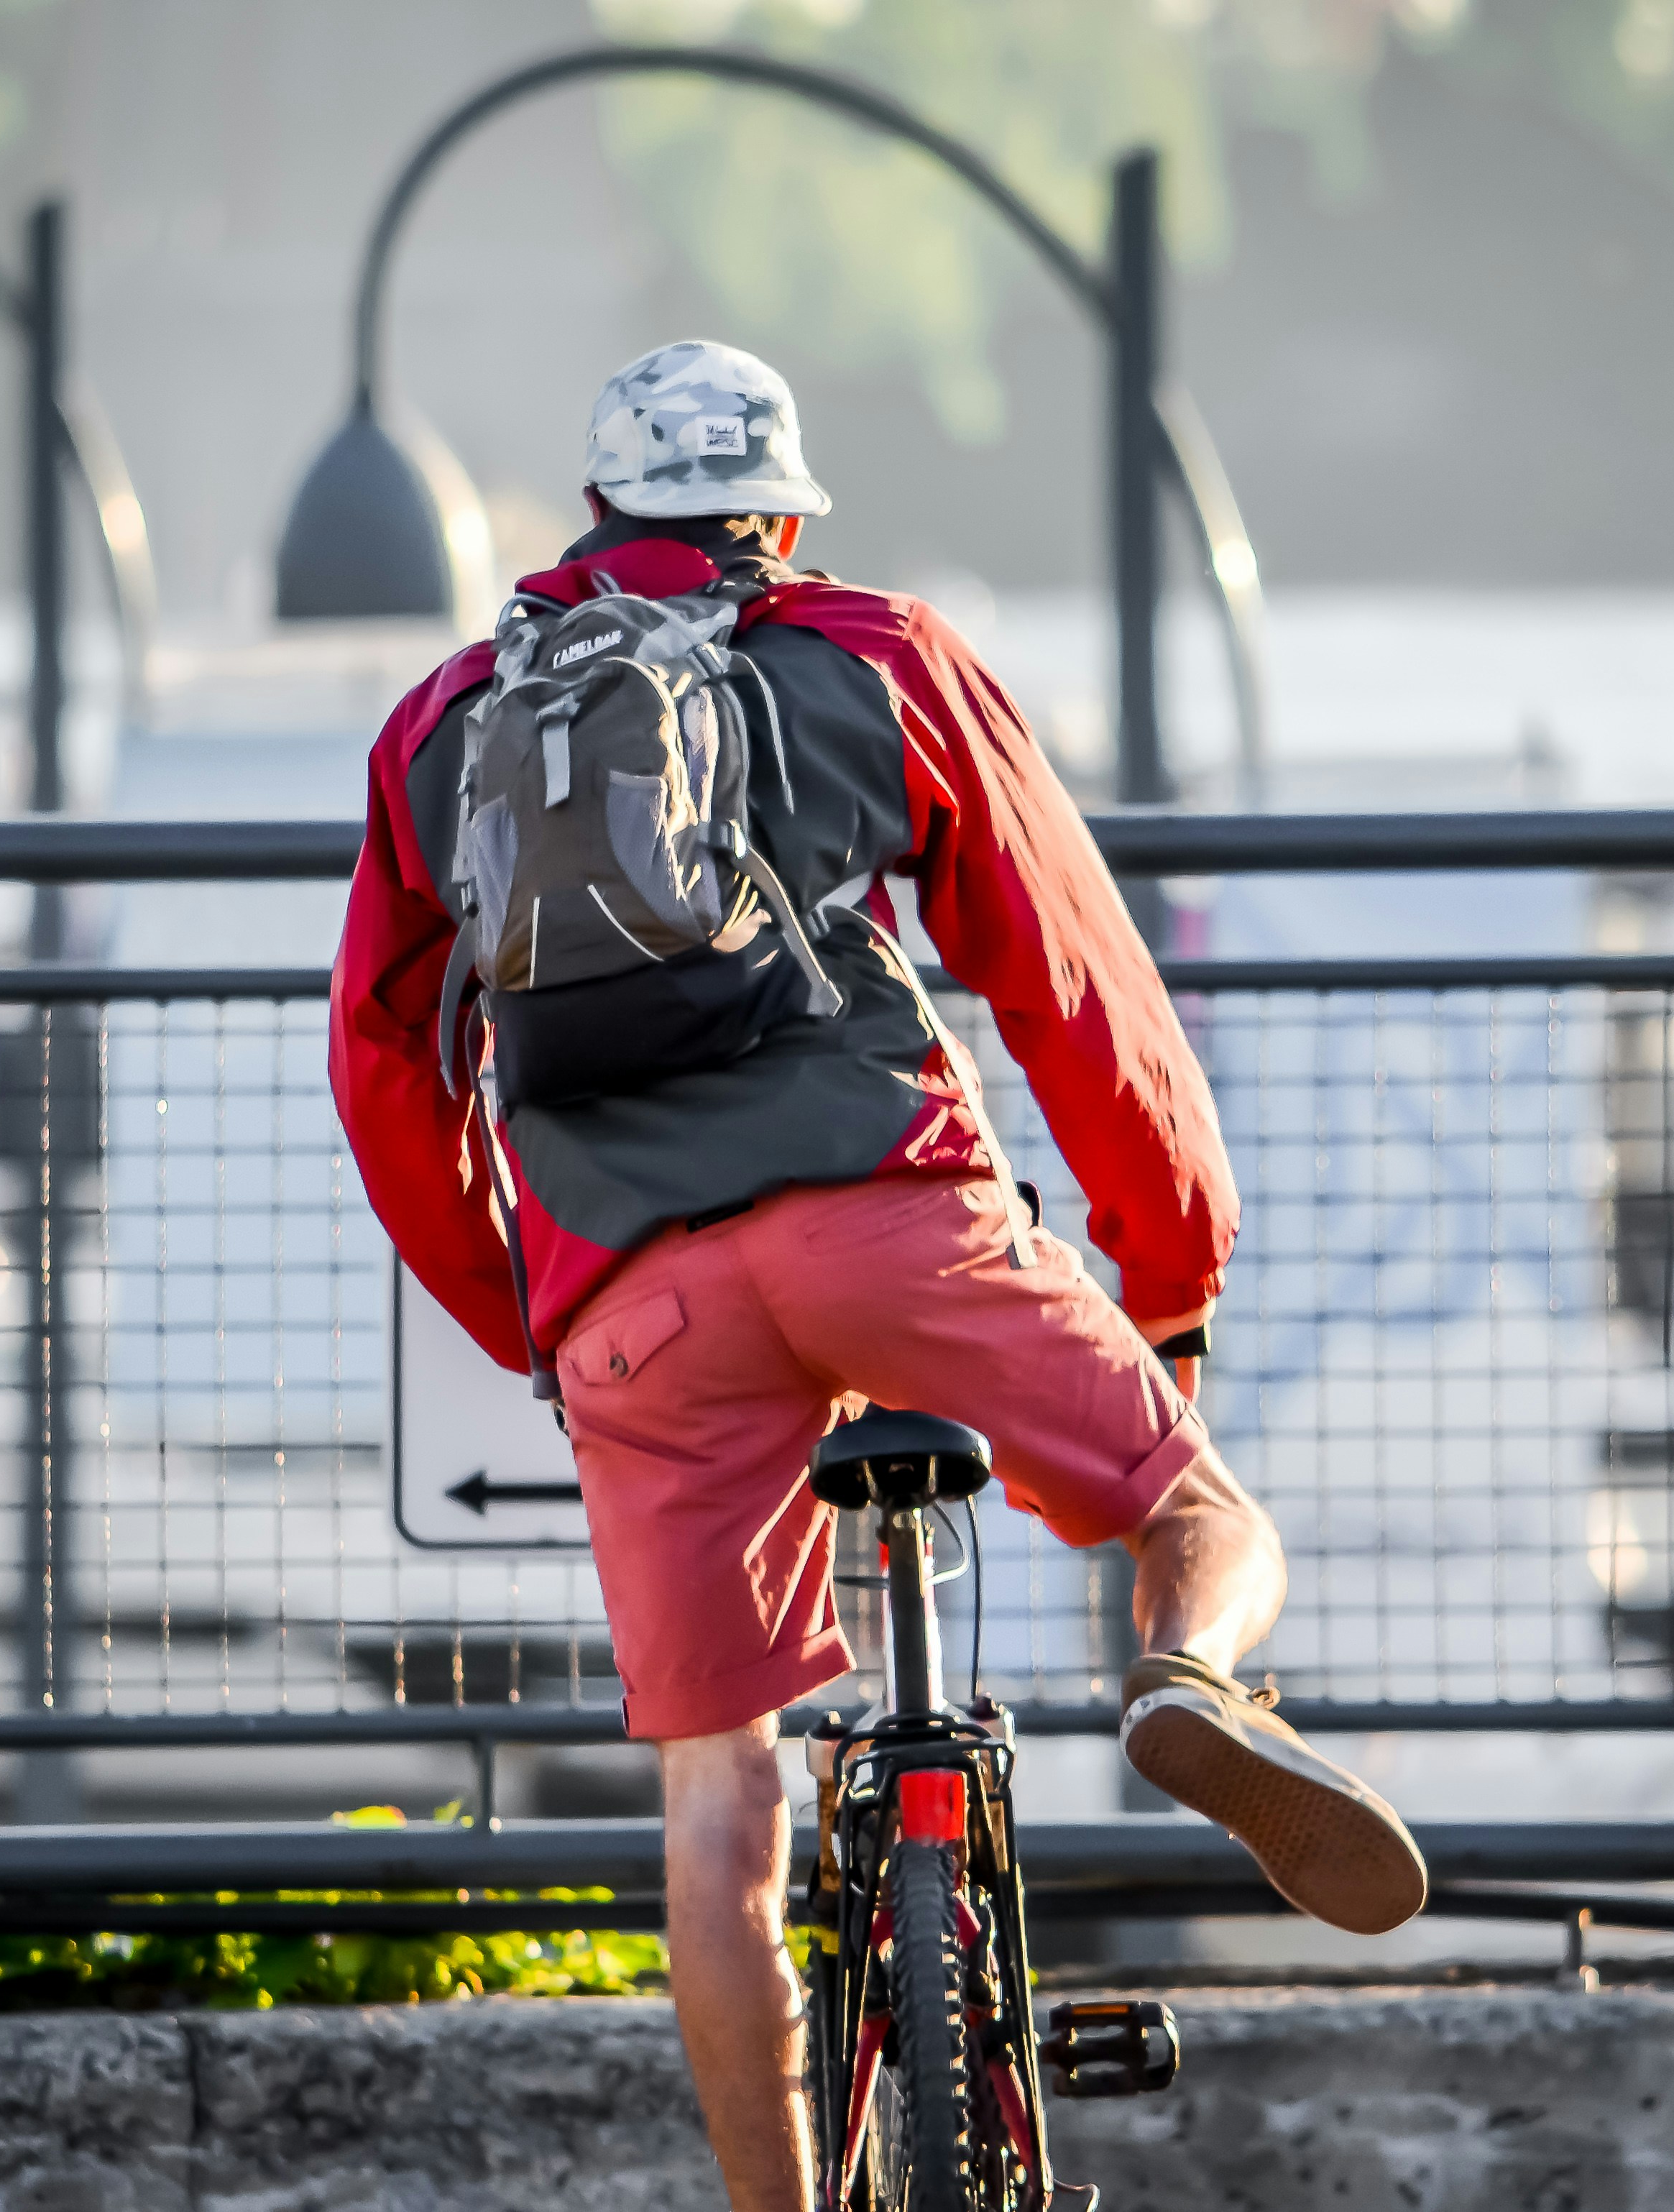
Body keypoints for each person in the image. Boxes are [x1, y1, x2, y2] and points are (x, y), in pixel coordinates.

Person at [330, 338, 1425, 2208]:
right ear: (777, 512)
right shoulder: (872, 656)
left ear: (594, 517)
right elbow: (1070, 979)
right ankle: (1185, 1684)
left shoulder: (446, 726)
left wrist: (540, 1312)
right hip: (890, 1220)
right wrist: (1165, 1276)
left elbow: (379, 1060)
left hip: (632, 1308)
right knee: (1199, 1512)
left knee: (719, 1790)